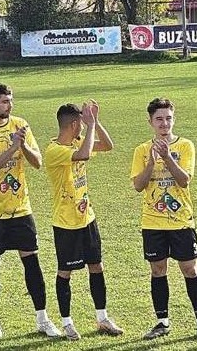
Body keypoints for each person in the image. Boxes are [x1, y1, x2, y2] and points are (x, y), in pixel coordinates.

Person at [0, 83, 60, 339]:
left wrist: (23, 145)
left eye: (11, 100)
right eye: (5, 101)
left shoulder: (20, 125)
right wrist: (12, 148)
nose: (10, 105)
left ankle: (42, 318)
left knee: (32, 263)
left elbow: (37, 162)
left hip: (20, 209)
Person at [133, 98, 197, 342]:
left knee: (190, 269)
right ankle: (162, 322)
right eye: (159, 119)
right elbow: (138, 185)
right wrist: (151, 162)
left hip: (181, 221)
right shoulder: (141, 150)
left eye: (168, 118)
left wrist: (167, 157)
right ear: (150, 121)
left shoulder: (186, 146)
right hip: (153, 222)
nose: (164, 123)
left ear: (173, 119)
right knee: (158, 270)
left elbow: (184, 180)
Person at [43, 101, 122, 340]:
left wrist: (95, 123)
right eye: (82, 124)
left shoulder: (77, 141)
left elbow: (107, 145)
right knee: (65, 272)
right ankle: (67, 323)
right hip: (66, 223)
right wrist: (90, 127)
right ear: (75, 124)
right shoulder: (54, 150)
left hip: (87, 218)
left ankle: (102, 318)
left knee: (96, 266)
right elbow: (84, 155)